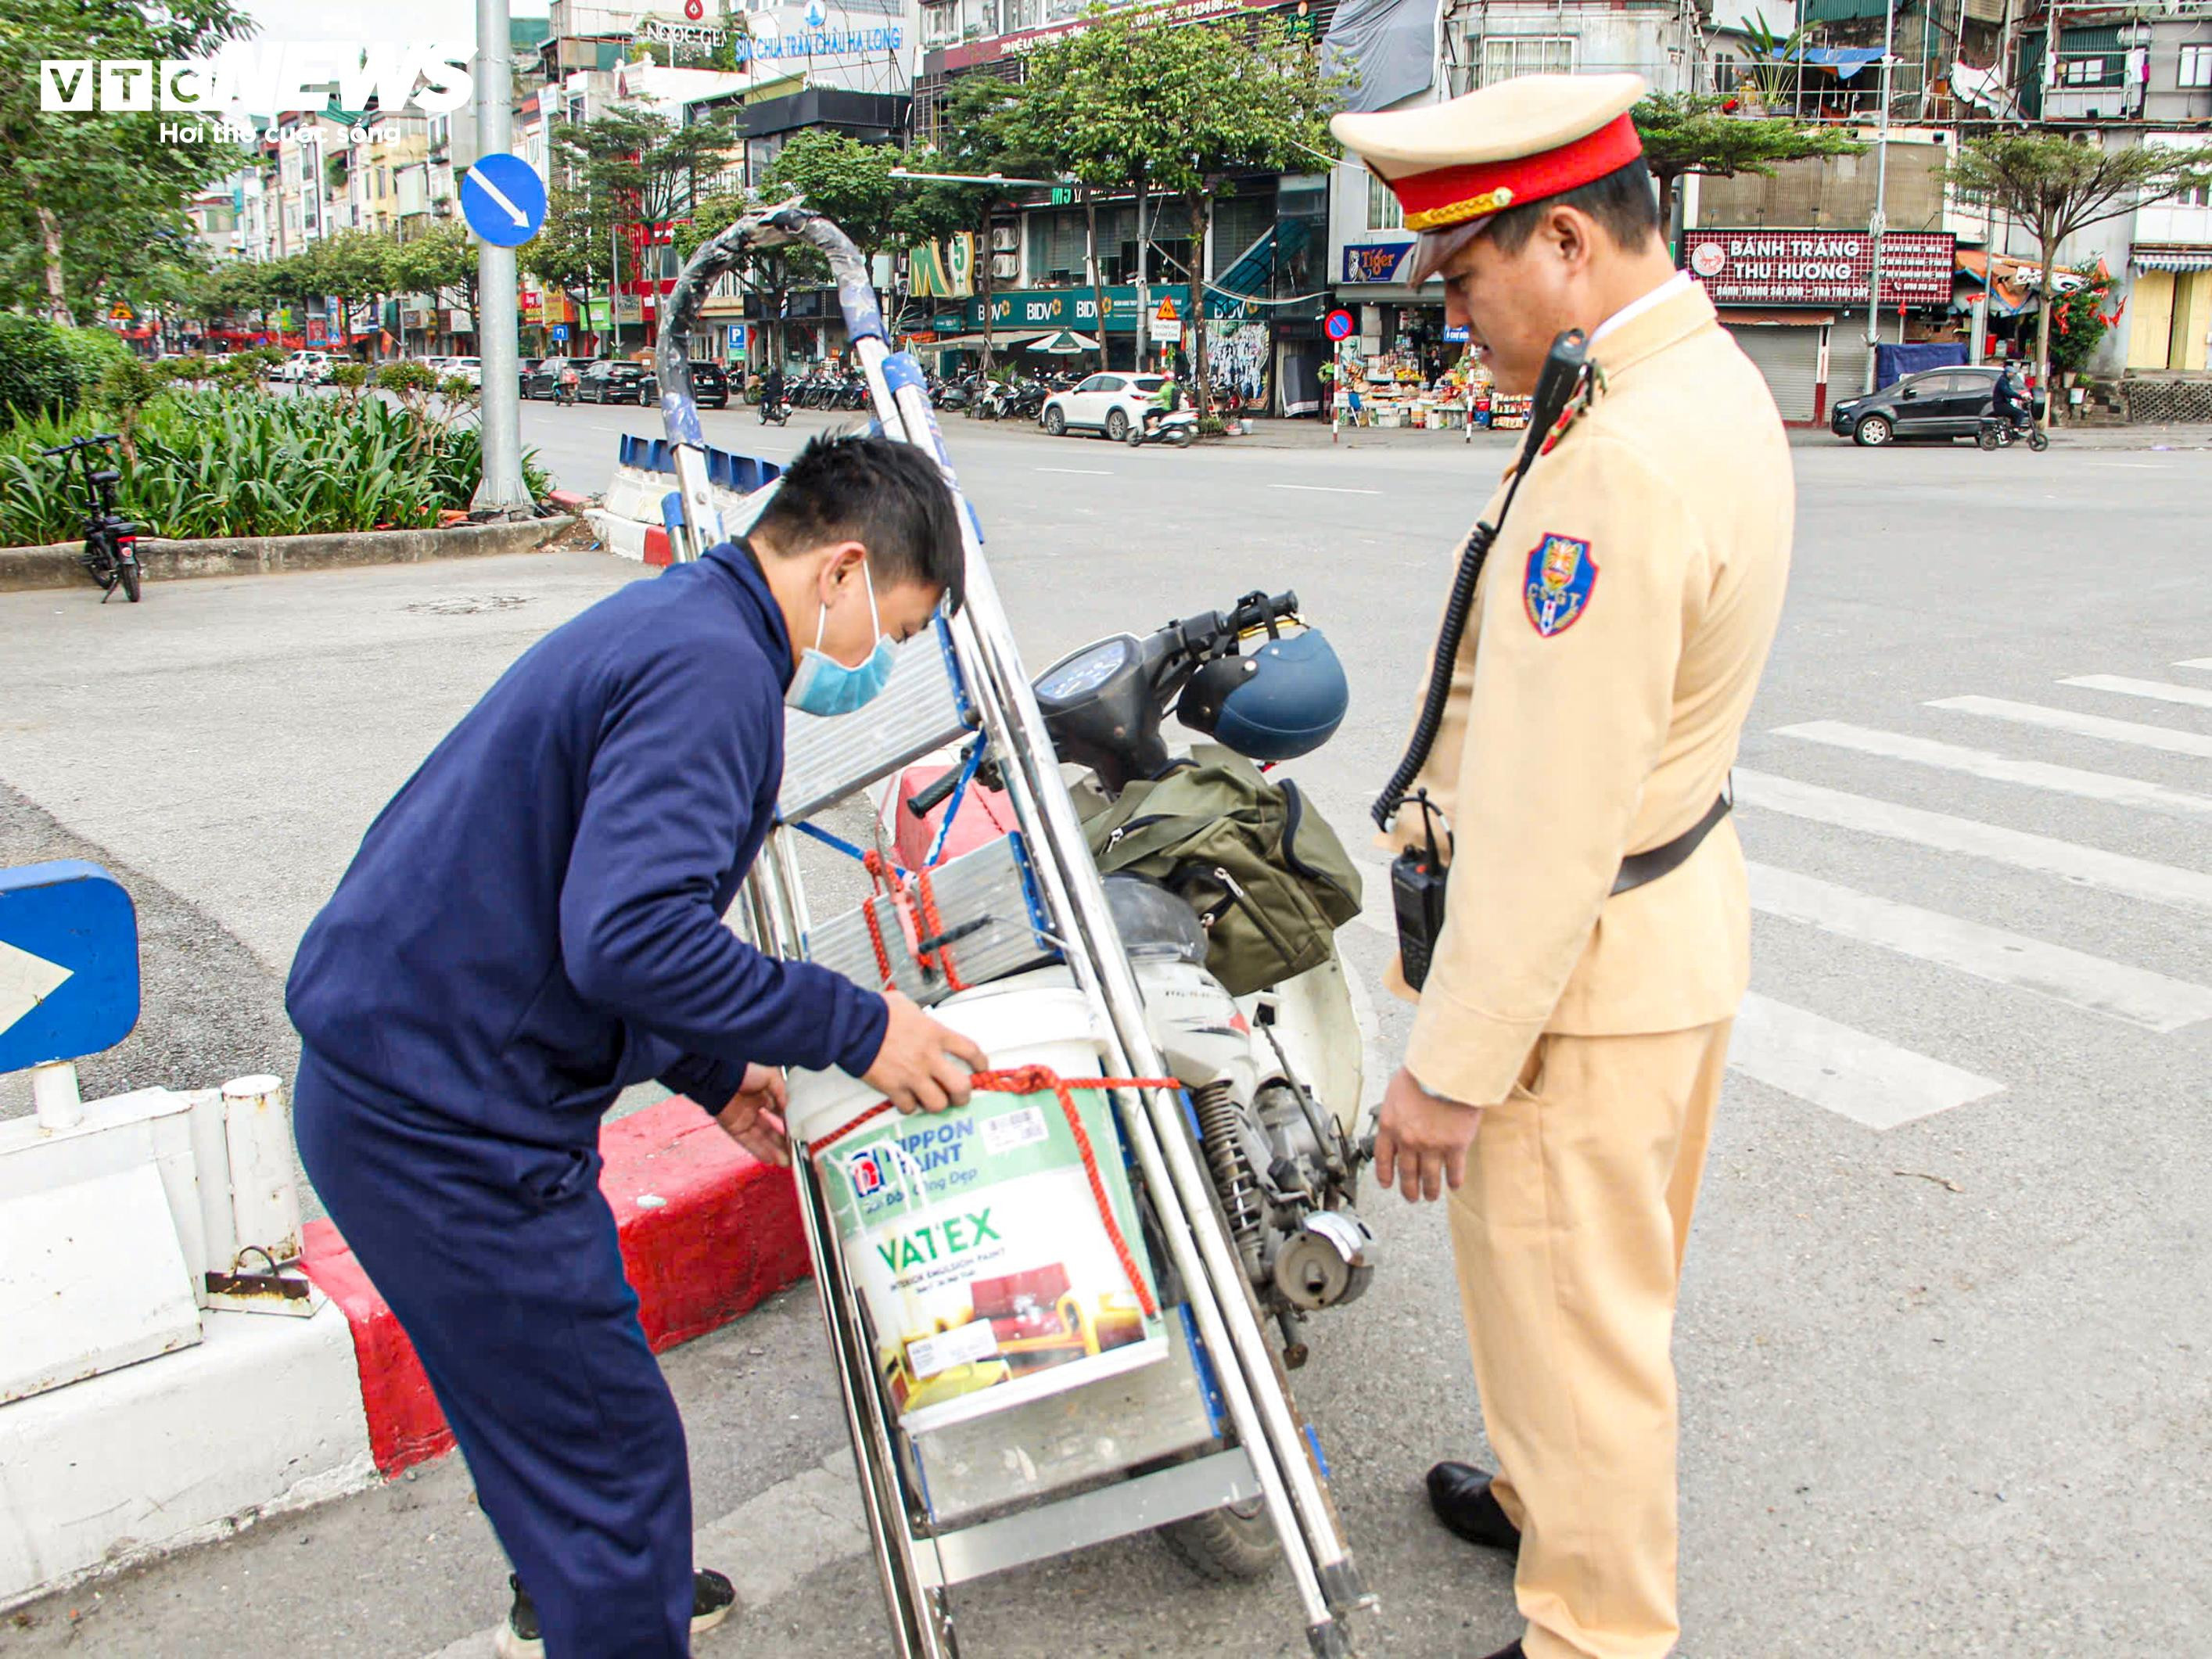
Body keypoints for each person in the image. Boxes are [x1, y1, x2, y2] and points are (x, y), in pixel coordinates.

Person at [286, 434, 989, 1659]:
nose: (890, 663)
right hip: (445, 1125)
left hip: (397, 1075)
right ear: (840, 571)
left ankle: (577, 1591)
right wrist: (861, 1025)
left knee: (539, 1418)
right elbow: (629, 937)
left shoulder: (683, 622)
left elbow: (584, 904)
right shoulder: (716, 674)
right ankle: (609, 1606)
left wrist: (714, 1066)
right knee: (611, 1452)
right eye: (902, 626)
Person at [1334, 72, 1794, 1659]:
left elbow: (1546, 807)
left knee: (1571, 1316)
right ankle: (1547, 1485)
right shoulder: (1686, 380)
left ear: (1564, 241)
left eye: (1463, 280)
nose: (1450, 314)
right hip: (1662, 930)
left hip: (1576, 980)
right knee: (1587, 1299)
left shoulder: (1617, 457)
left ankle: (1591, 1628)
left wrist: (1447, 1069)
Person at [1141, 371, 1183, 437]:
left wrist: (1149, 398)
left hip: (1166, 409)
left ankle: (1153, 428)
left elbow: (1160, 397)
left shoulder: (1165, 387)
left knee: (1148, 413)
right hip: (1173, 409)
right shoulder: (1175, 387)